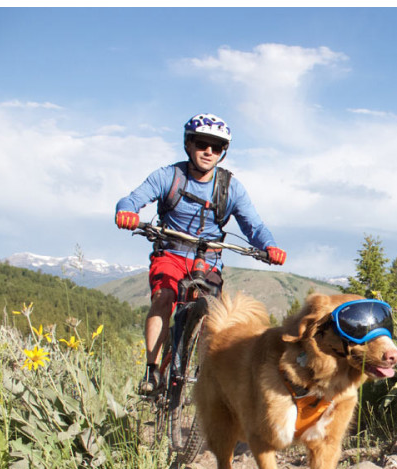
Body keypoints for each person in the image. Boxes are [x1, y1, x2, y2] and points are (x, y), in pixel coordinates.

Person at [115, 113, 287, 394]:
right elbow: (132, 198)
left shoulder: (230, 187)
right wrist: (127, 212)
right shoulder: (169, 176)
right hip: (170, 253)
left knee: (215, 316)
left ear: (223, 153)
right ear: (188, 144)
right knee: (164, 297)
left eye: (216, 147)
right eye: (202, 144)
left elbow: (253, 225)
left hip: (208, 260)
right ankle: (151, 371)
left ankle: (207, 378)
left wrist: (269, 246)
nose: (208, 152)